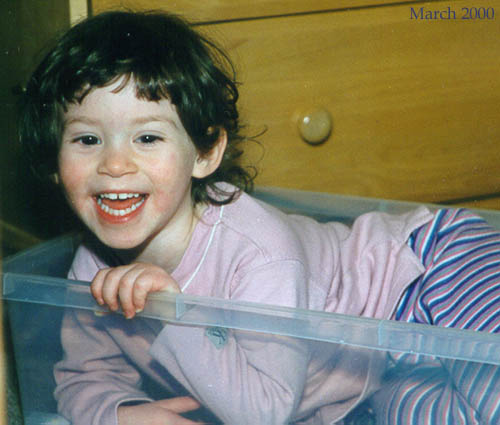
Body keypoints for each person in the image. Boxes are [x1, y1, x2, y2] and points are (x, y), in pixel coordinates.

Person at [19, 10, 500, 425]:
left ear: (205, 153)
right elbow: (84, 377)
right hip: (366, 383)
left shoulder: (258, 251)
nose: (114, 164)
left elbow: (264, 411)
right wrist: (122, 412)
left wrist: (174, 313)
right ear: (55, 163)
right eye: (87, 140)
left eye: (147, 138)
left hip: (424, 270)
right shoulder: (92, 268)